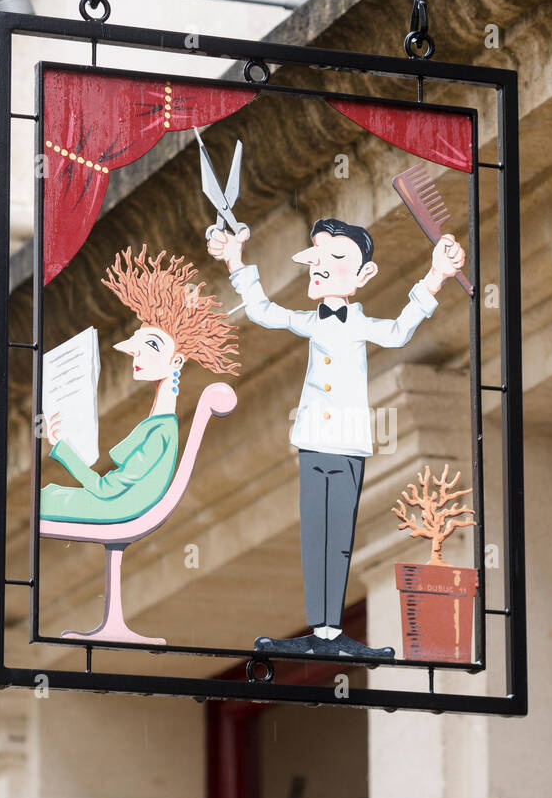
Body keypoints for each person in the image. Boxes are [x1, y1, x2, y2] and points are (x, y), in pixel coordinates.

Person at [208, 217, 465, 658]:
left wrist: (437, 275)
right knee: (315, 533)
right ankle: (320, 629)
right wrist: (236, 261)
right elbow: (262, 311)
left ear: (364, 274)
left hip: (347, 444)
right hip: (312, 440)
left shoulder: (361, 325)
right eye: (318, 258)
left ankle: (331, 634)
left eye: (337, 258)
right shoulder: (311, 320)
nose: (321, 267)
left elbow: (401, 329)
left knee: (339, 534)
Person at [41, 246, 239, 523]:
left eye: (153, 345)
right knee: (44, 498)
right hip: (112, 503)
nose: (136, 352)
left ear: (177, 361)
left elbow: (106, 490)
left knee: (43, 500)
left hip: (113, 507)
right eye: (138, 341)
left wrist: (63, 448)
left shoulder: (159, 434)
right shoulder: (158, 426)